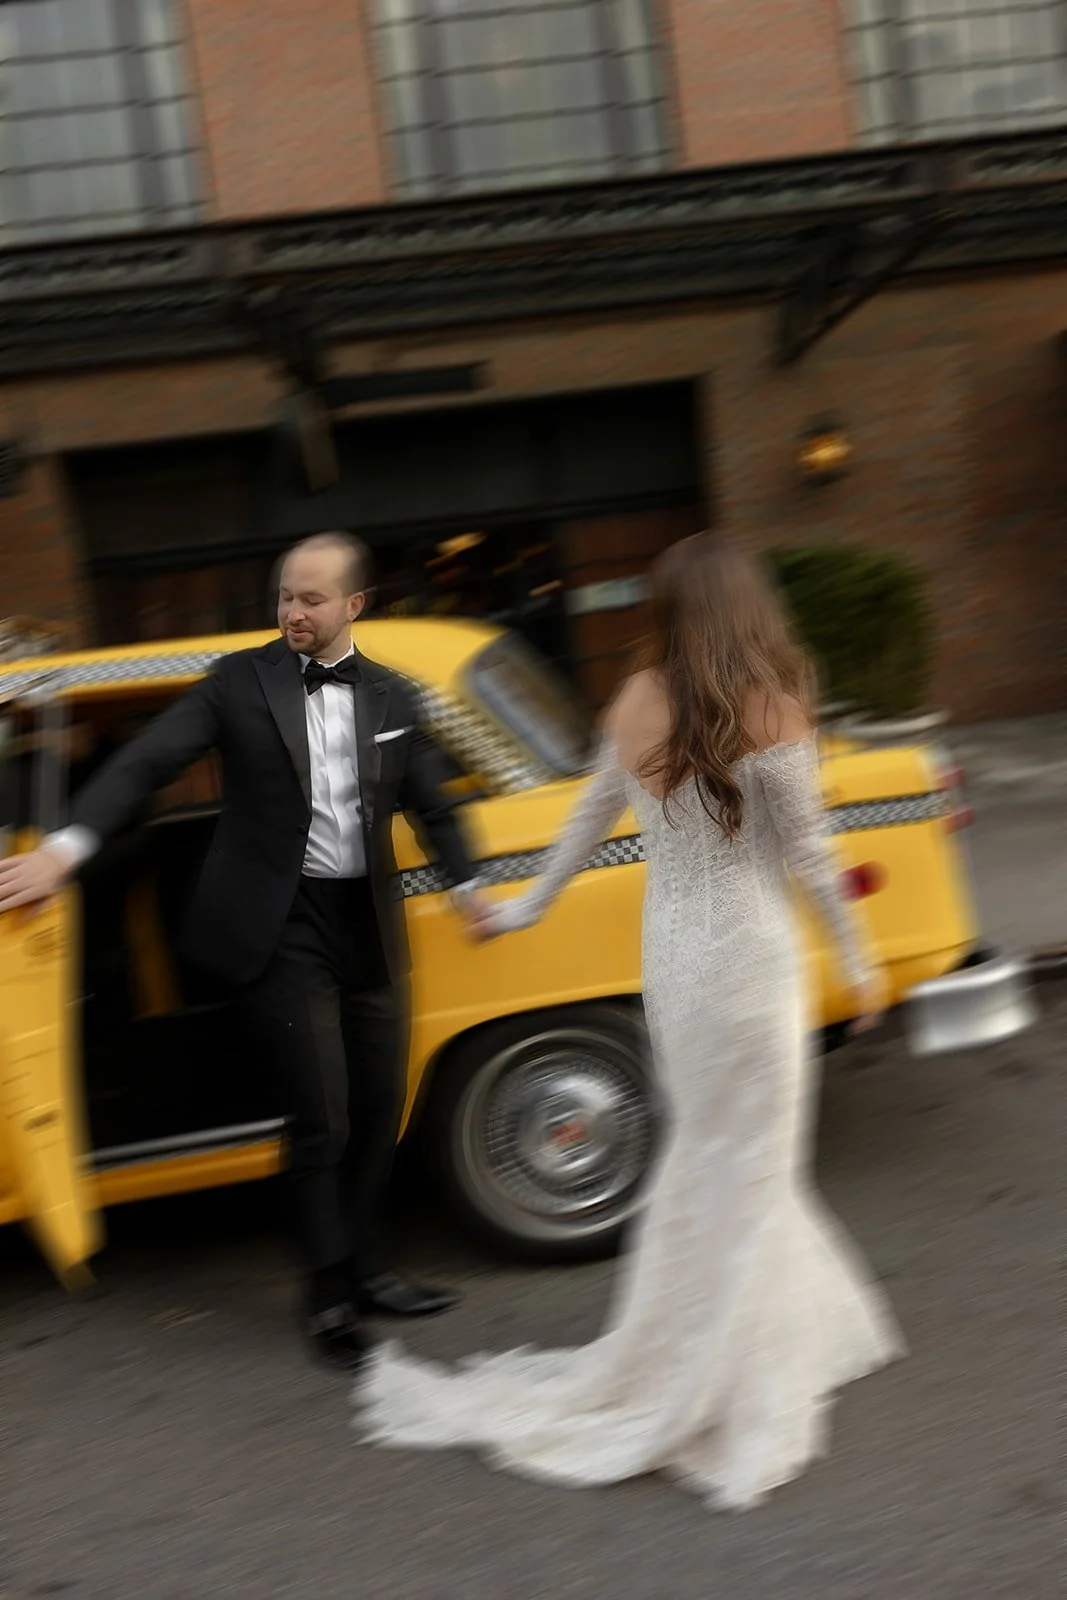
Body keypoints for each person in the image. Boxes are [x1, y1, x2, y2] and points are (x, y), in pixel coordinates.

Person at [356, 533, 905, 1512]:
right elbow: (813, 855)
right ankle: (723, 1376)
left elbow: (579, 828)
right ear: (747, 603)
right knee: (753, 1164)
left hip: (678, 973)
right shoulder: (773, 698)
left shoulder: (634, 698)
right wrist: (859, 965)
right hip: (750, 966)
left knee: (704, 1156)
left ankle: (696, 1350)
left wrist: (520, 910)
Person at [0, 532, 489, 1370]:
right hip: (278, 923)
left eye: (311, 599)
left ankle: (369, 1269)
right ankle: (328, 1294)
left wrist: (469, 884)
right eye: (284, 598)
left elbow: (434, 804)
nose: (293, 612)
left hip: (365, 922)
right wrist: (64, 849)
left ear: (353, 607)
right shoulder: (239, 681)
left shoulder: (393, 697)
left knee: (379, 1110)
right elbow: (148, 762)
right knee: (321, 1120)